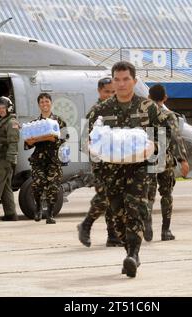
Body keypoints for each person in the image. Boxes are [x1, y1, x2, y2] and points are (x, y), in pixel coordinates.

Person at [86, 61, 188, 278]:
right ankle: (128, 249)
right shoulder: (100, 110)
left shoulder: (148, 107)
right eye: (117, 79)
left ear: (134, 81)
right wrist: (91, 150)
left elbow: (166, 132)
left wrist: (156, 146)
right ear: (112, 80)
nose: (121, 84)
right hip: (110, 172)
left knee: (135, 210)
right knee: (117, 215)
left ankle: (133, 254)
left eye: (126, 79)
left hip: (140, 170)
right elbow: (90, 139)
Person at [77, 77, 123, 247]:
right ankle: (86, 224)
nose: (110, 95)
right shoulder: (96, 111)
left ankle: (112, 235)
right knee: (104, 196)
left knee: (115, 198)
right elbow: (83, 139)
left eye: (113, 91)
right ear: (99, 92)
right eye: (107, 92)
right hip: (101, 162)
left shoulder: (119, 109)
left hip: (118, 160)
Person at [146, 84, 189, 242]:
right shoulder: (169, 115)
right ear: (165, 98)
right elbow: (177, 138)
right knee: (167, 194)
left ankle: (147, 225)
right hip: (165, 158)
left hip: (149, 157)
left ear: (148, 98)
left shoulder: (143, 114)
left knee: (148, 195)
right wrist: (183, 160)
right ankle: (166, 230)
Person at [24, 93, 68, 224]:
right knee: (37, 184)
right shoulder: (34, 123)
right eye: (42, 102)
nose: (44, 104)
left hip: (54, 160)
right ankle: (38, 207)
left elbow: (63, 137)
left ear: (51, 103)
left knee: (53, 188)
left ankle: (50, 214)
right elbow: (27, 143)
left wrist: (39, 138)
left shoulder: (59, 121)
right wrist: (40, 138)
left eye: (47, 101)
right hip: (39, 160)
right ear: (39, 105)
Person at [0, 96, 20, 222]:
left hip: (4, 159)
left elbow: (13, 142)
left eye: (3, 108)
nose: (1, 110)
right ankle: (11, 213)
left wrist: (10, 160)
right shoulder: (3, 121)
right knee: (6, 188)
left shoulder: (11, 123)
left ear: (9, 108)